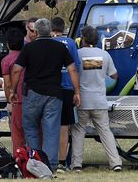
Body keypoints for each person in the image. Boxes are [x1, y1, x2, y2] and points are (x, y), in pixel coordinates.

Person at [10, 18, 80, 170]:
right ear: (50, 31)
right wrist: (77, 91)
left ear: (35, 32)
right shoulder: (60, 48)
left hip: (32, 93)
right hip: (54, 94)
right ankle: (51, 165)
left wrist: (13, 91)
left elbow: (16, 70)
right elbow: (72, 69)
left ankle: (35, 161)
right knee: (51, 130)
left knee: (31, 128)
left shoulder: (29, 48)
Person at [70, 25, 122, 172]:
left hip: (82, 100)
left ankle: (76, 164)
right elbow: (114, 75)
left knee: (78, 131)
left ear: (83, 39)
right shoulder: (104, 55)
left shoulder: (77, 54)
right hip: (99, 101)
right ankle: (116, 163)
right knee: (105, 131)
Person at [50, 17, 81, 173]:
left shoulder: (48, 43)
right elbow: (76, 67)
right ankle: (62, 162)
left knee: (48, 127)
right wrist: (77, 90)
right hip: (68, 89)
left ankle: (48, 160)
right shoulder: (71, 43)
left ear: (51, 28)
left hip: (50, 89)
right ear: (64, 28)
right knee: (64, 128)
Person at [1, 28, 25, 157]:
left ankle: (19, 158)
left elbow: (8, 83)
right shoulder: (27, 56)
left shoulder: (6, 60)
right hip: (30, 97)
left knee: (17, 132)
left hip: (16, 99)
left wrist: (8, 100)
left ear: (8, 44)